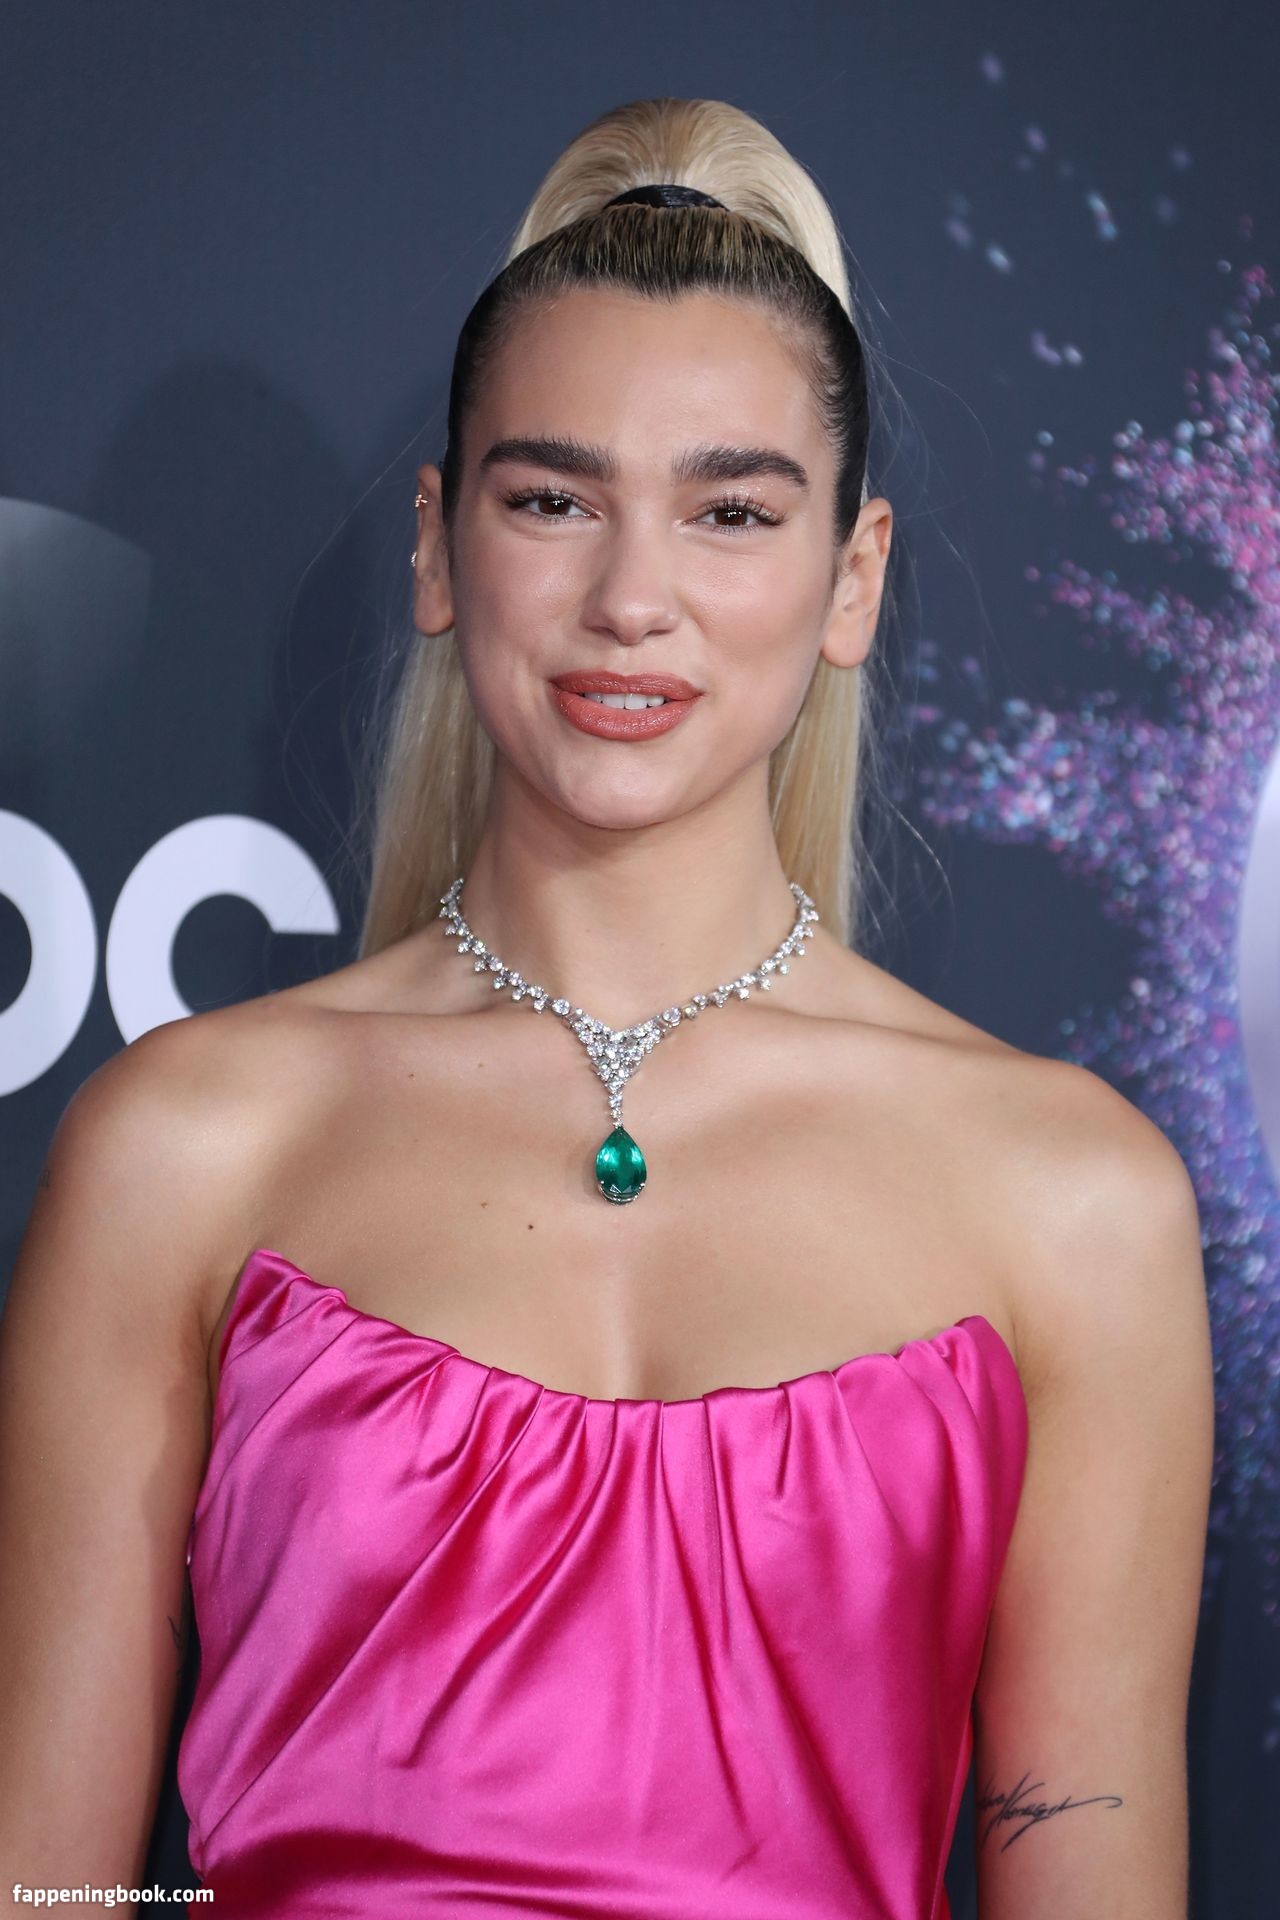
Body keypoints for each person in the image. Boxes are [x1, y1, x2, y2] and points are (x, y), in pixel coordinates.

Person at [0, 95, 1214, 1918]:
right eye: (554, 500)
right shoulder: (183, 1149)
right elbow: (49, 1892)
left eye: (731, 511)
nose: (633, 597)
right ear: (440, 548)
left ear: (852, 579)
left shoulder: (1075, 1203)